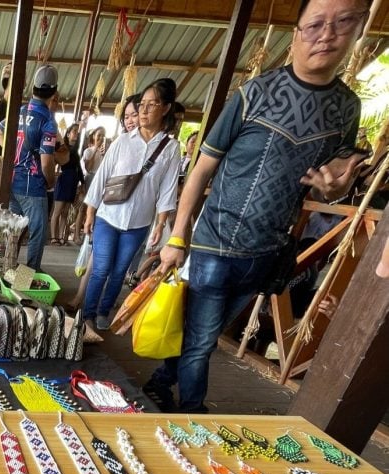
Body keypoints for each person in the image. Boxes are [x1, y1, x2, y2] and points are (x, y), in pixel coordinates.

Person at [147, 0, 369, 413]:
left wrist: (334, 189)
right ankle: (190, 411)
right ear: (297, 32)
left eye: (343, 23)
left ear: (359, 30)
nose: (327, 35)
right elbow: (200, 171)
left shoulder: (347, 108)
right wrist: (178, 236)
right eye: (316, 24)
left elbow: (325, 190)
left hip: (266, 252)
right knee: (202, 342)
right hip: (216, 241)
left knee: (203, 334)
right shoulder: (254, 94)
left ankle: (161, 380)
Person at [81, 78, 181, 331]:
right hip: (108, 217)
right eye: (142, 105)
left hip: (138, 223)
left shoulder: (170, 149)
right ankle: (87, 314)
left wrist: (161, 224)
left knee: (119, 271)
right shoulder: (123, 141)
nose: (144, 111)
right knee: (101, 268)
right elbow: (102, 176)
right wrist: (90, 212)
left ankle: (104, 311)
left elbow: (168, 188)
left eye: (152, 104)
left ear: (166, 108)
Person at [0, 64, 60, 271]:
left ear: (33, 88)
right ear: (54, 93)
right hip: (34, 188)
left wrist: (13, 152)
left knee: (12, 234)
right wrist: (51, 182)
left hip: (12, 183)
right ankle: (26, 280)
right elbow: (47, 162)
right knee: (37, 235)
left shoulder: (20, 112)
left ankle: (6, 271)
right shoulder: (48, 121)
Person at [50, 126, 82, 245]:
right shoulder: (64, 148)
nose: (76, 134)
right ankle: (54, 237)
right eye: (74, 132)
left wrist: (82, 183)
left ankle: (61, 236)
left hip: (73, 180)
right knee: (57, 210)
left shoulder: (75, 150)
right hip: (64, 179)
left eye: (77, 133)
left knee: (66, 212)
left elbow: (79, 168)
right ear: (68, 134)